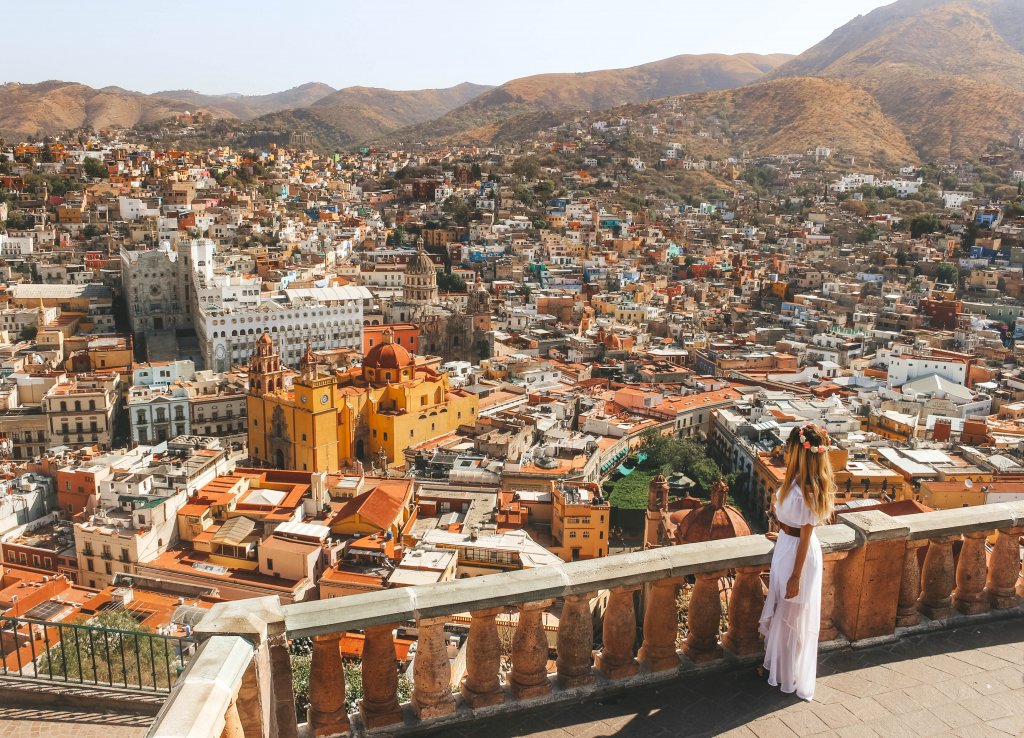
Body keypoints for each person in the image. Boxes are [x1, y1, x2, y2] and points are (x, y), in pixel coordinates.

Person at [757, 423, 836, 701]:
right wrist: (782, 536)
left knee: (791, 616)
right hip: (787, 548)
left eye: (789, 448)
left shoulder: (808, 490)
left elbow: (805, 536)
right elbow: (793, 527)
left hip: (798, 558)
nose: (785, 453)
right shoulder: (796, 480)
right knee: (784, 610)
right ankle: (779, 668)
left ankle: (785, 674)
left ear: (800, 452)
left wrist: (795, 576)